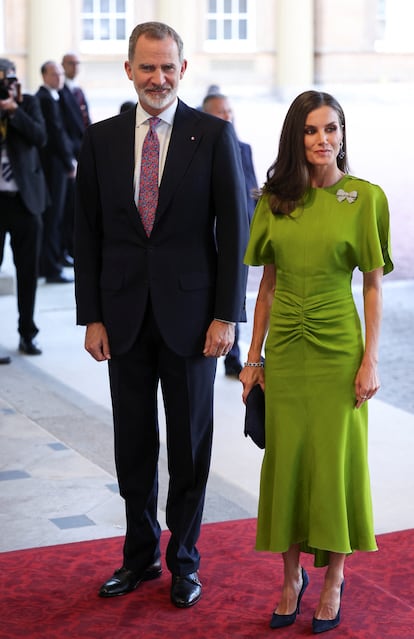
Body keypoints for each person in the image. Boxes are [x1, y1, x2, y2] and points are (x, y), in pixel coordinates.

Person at [74, 21, 249, 609]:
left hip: (195, 321)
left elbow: (234, 232)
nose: (158, 77)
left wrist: (227, 316)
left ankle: (185, 560)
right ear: (128, 70)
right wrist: (91, 317)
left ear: (183, 69)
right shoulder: (99, 140)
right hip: (123, 319)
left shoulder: (213, 136)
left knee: (192, 446)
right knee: (133, 444)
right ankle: (139, 555)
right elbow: (88, 235)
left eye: (167, 66)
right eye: (147, 67)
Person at [239, 90, 393, 634]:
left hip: (338, 353)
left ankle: (333, 580)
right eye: (310, 131)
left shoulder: (366, 198)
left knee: (335, 463)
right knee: (286, 462)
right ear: (295, 138)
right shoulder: (274, 201)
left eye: (330, 129)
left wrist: (370, 360)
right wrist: (252, 358)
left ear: (343, 134)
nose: (321, 140)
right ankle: (289, 579)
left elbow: (373, 288)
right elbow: (267, 287)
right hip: (285, 351)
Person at [202, 92, 259, 377]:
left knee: (236, 295)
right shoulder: (198, 150)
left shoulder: (243, 148)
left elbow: (250, 188)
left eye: (229, 111)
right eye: (220, 112)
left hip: (240, 236)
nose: (227, 117)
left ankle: (233, 354)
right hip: (207, 236)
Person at [0, 58, 48, 356]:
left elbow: (40, 137)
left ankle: (27, 333)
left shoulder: (28, 104)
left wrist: (14, 110)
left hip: (25, 202)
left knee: (28, 271)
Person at [36, 61, 75, 284]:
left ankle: (52, 261)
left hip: (57, 165)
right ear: (44, 76)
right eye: (54, 74)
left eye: (61, 74)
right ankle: (50, 267)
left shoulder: (57, 96)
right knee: (53, 216)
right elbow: (57, 134)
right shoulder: (44, 98)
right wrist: (69, 162)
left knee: (57, 217)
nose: (59, 78)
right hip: (53, 167)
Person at [59, 53, 91, 265]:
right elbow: (62, 129)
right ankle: (63, 250)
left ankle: (71, 248)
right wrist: (71, 159)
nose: (75, 67)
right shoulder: (60, 92)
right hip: (68, 157)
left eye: (78, 63)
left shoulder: (78, 90)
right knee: (65, 208)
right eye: (71, 63)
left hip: (81, 152)